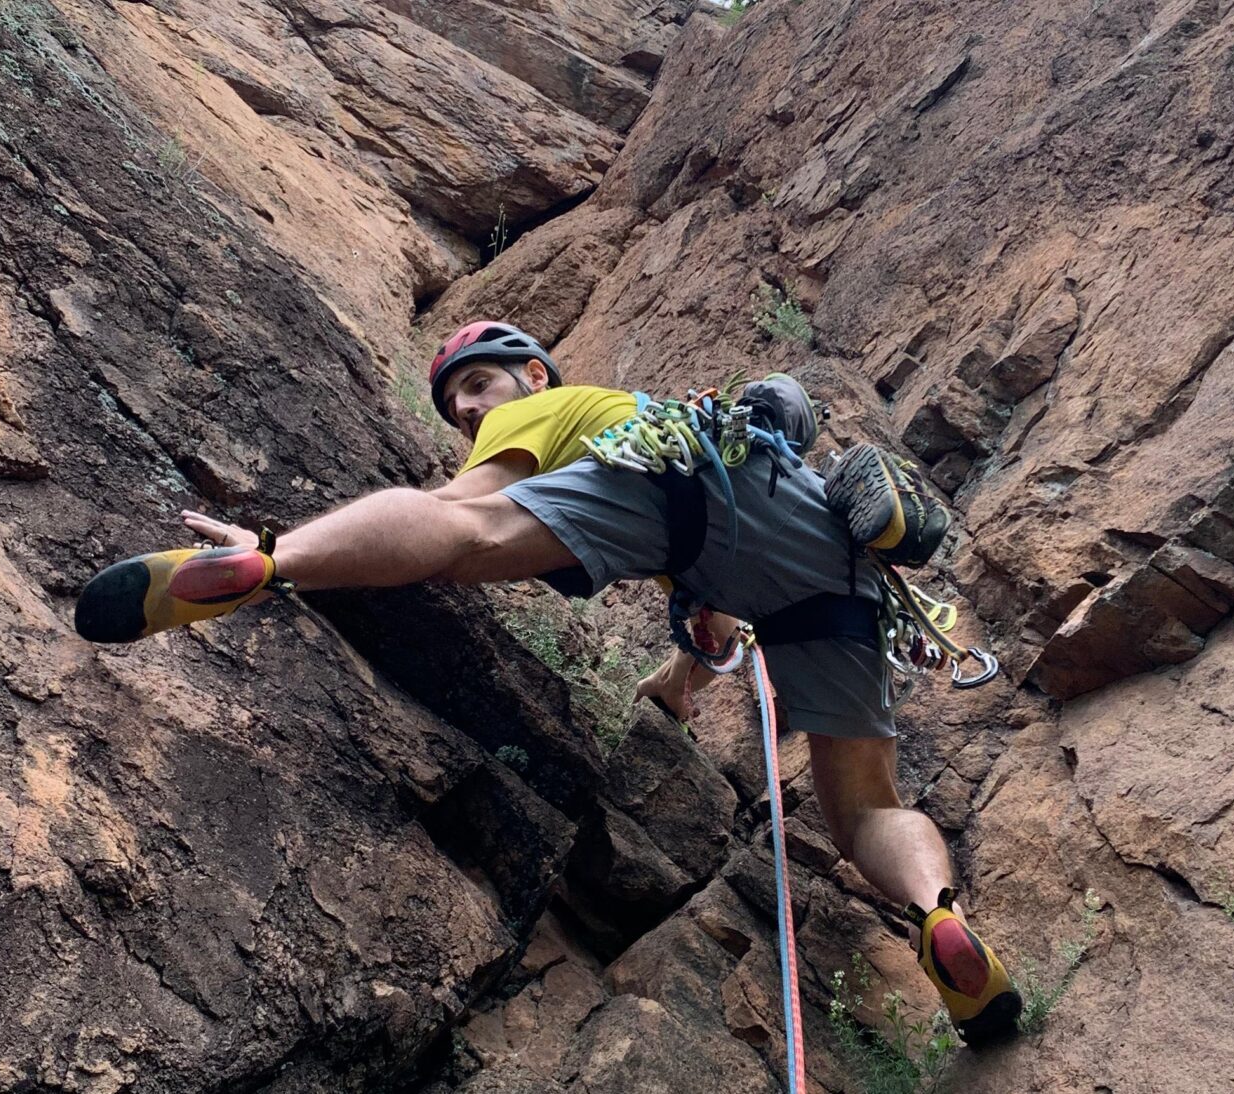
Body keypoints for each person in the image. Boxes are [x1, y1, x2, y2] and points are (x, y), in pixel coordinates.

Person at [74, 320, 1022, 1044]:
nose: (473, 413)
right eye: (457, 410)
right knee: (861, 811)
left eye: (479, 388)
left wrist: (282, 547)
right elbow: (718, 614)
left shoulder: (552, 406)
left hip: (678, 475)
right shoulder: (707, 460)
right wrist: (683, 680)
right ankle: (939, 914)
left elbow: (461, 511)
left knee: (462, 529)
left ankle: (265, 568)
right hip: (831, 560)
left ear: (534, 375)